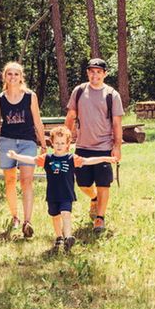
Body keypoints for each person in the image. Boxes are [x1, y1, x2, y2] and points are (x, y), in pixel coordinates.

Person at [6, 125, 115, 252]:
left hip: (66, 194)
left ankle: (68, 237)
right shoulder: (47, 159)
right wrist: (16, 156)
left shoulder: (71, 159)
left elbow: (88, 161)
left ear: (68, 144)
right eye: (57, 143)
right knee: (55, 216)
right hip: (52, 195)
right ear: (52, 143)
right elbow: (31, 160)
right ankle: (59, 237)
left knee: (65, 213)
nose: (59, 145)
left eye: (62, 143)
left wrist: (105, 158)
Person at [0, 61, 46, 239]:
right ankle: (15, 217)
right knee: (10, 181)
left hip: (27, 142)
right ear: (4, 77)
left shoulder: (30, 96)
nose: (13, 77)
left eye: (16, 74)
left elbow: (37, 121)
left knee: (26, 181)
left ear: (21, 77)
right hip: (6, 143)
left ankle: (28, 221)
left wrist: (43, 144)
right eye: (9, 74)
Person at [64, 58, 123, 234]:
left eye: (98, 71)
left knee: (104, 183)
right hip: (83, 146)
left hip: (104, 146)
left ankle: (100, 218)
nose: (95, 75)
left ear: (105, 74)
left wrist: (117, 146)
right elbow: (71, 116)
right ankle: (94, 198)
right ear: (87, 72)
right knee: (83, 183)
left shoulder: (112, 95)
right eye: (92, 71)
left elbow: (117, 123)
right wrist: (65, 141)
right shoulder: (79, 91)